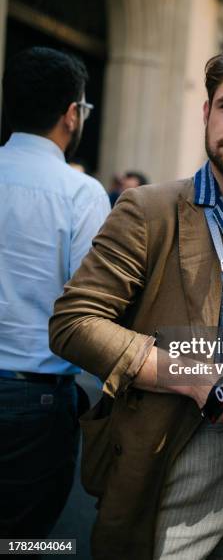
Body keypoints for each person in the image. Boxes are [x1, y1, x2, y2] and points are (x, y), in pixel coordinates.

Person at [50, 40, 223, 560]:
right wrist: (199, 379)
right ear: (207, 113)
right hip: (173, 456)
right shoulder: (147, 210)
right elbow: (74, 322)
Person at [0, 46, 111, 539]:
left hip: (36, 398)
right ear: (72, 114)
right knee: (25, 535)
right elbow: (93, 304)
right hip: (36, 402)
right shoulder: (80, 193)